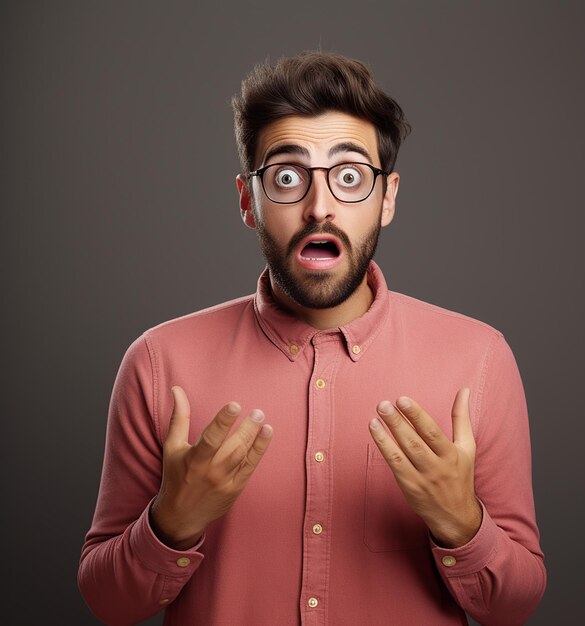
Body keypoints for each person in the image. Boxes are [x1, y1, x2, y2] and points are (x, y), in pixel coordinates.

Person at [78, 51, 546, 626]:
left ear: (388, 197)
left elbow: (515, 606)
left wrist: (461, 523)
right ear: (248, 200)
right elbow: (107, 603)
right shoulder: (158, 363)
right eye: (288, 178)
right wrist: (170, 522)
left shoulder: (479, 361)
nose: (319, 208)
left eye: (350, 177)